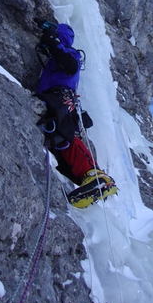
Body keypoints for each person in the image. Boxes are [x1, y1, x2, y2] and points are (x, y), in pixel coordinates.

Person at [35, 22, 117, 207]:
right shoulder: (57, 56)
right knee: (60, 143)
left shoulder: (69, 53)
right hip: (55, 99)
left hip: (60, 99)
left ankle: (95, 175)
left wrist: (54, 42)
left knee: (65, 138)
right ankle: (84, 181)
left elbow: (71, 66)